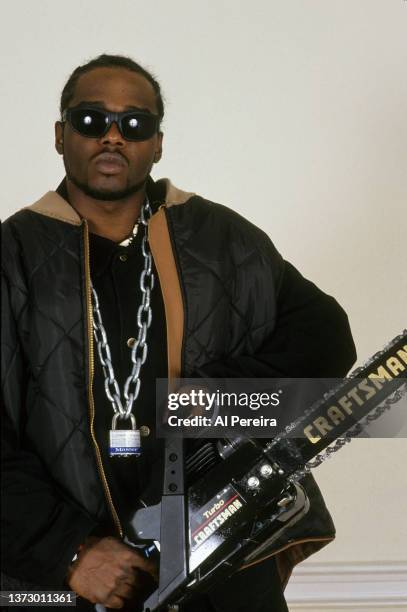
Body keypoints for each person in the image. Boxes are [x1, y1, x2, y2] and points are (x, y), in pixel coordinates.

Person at [1, 54, 356, 611]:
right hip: (71, 581)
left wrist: (209, 404)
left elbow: (326, 339)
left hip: (223, 555)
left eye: (134, 124)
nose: (113, 137)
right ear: (59, 134)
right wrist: (71, 550)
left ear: (158, 143)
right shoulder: (12, 256)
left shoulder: (222, 238)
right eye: (92, 120)